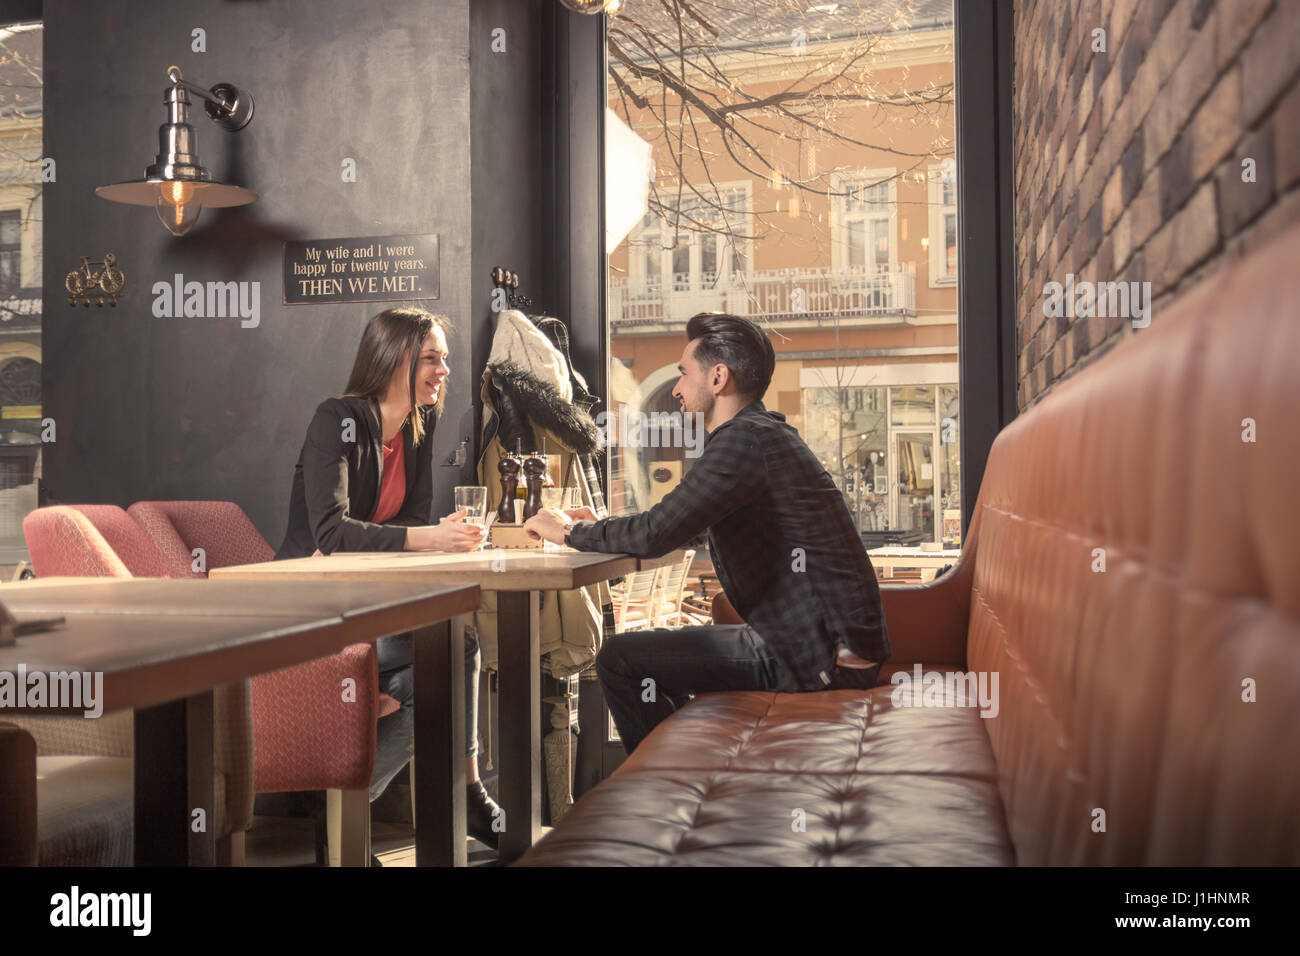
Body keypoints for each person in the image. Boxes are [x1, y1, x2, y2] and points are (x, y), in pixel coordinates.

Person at [524, 312, 891, 753]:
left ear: (718, 377)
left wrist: (568, 531)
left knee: (620, 661)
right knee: (644, 656)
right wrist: (593, 526)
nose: (676, 388)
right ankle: (693, 770)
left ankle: (669, 783)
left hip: (818, 659)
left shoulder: (744, 441)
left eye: (683, 373)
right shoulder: (761, 433)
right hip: (814, 645)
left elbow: (656, 532)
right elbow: (681, 522)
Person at [277, 306, 502, 854]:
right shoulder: (337, 420)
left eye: (444, 359)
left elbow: (410, 519)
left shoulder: (417, 429)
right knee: (440, 662)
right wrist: (431, 540)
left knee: (451, 652)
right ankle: (344, 820)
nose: (444, 370)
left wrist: (432, 538)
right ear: (393, 357)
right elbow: (330, 532)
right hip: (315, 609)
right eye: (431, 358)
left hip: (371, 601)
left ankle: (357, 815)